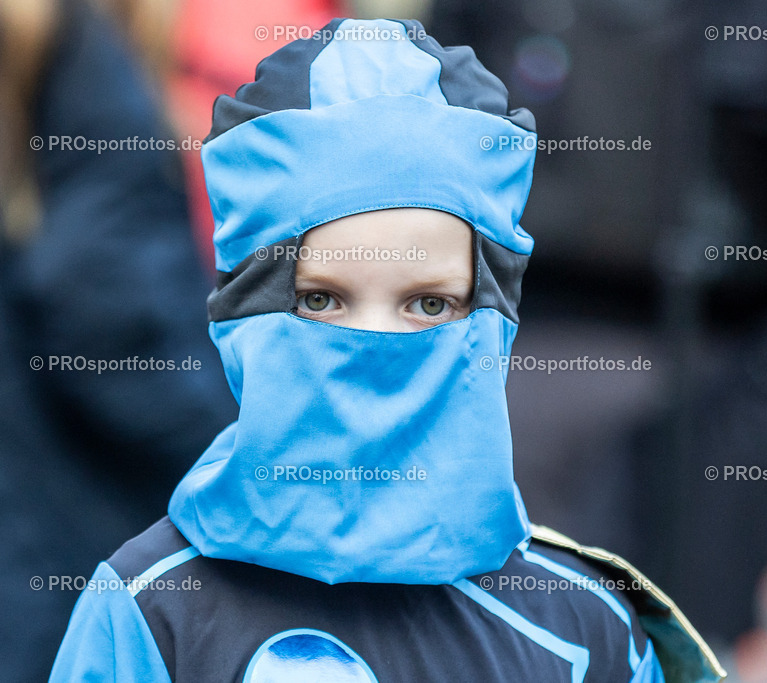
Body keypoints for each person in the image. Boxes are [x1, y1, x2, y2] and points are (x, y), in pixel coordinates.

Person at [48, 18, 723, 682]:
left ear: (495, 317)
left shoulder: (582, 629)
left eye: (428, 303)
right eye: (322, 299)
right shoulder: (152, 612)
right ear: (240, 311)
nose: (374, 342)